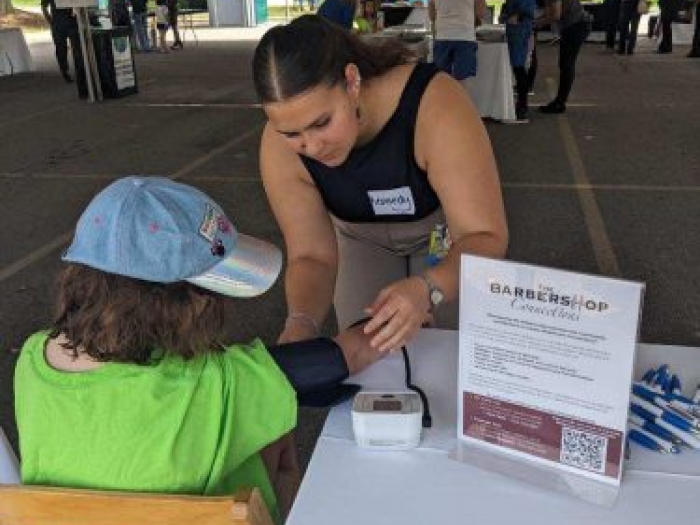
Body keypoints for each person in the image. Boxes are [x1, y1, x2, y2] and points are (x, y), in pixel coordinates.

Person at [14, 176, 381, 523]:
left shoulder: (32, 360)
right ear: (188, 305)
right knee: (273, 429)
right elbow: (344, 356)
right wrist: (415, 302)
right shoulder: (217, 384)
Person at [252, 15, 508, 353]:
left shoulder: (435, 104)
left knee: (450, 349)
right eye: (292, 133)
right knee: (368, 353)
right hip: (360, 238)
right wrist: (301, 322)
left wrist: (430, 288)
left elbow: (485, 236)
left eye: (322, 123)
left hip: (441, 237)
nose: (312, 147)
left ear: (352, 81)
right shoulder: (277, 146)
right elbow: (311, 255)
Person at [537, 0, 589, 114]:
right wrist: (537, 19)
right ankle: (560, 102)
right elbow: (549, 11)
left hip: (576, 25)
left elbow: (555, 15)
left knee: (567, 64)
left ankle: (560, 104)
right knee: (565, 64)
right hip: (574, 25)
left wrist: (537, 23)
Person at [428, 0, 487, 88]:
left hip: (443, 35)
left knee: (440, 76)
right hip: (465, 36)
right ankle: (459, 100)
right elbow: (481, 13)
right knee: (463, 78)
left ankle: (443, 100)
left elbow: (432, 16)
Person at [40, 0, 87, 96]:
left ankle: (81, 71)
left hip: (71, 21)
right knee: (61, 49)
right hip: (57, 23)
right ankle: (65, 71)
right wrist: (50, 20)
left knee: (78, 47)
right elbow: (44, 6)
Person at [500, 0, 536, 122]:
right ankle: (520, 104)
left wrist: (512, 16)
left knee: (519, 68)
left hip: (519, 31)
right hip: (515, 30)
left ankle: (522, 106)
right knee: (518, 68)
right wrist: (505, 13)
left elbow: (526, 12)